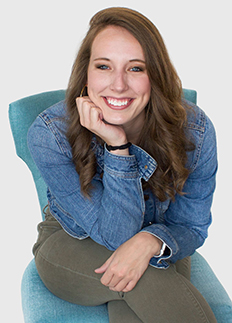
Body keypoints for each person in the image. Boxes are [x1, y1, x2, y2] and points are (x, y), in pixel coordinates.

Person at [28, 7, 218, 323]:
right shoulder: (51, 132)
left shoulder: (194, 131)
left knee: (135, 304)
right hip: (71, 243)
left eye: (135, 69)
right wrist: (117, 147)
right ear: (85, 74)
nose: (118, 85)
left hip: (160, 239)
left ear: (155, 75)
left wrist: (151, 240)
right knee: (145, 280)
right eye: (104, 66)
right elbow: (117, 235)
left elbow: (193, 226)